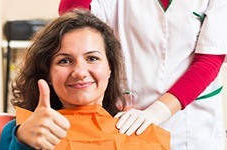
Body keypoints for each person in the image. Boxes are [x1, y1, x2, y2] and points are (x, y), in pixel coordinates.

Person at [58, 0, 227, 149]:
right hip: (129, 119)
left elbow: (210, 60)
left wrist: (156, 112)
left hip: (191, 124)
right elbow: (76, 18)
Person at [0, 9, 170, 150]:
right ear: (48, 74)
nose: (80, 72)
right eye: (64, 61)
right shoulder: (20, 131)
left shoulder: (144, 134)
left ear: (110, 67)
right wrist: (22, 143)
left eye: (92, 58)